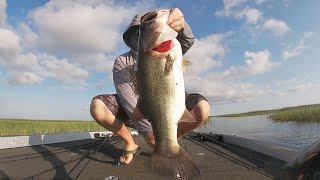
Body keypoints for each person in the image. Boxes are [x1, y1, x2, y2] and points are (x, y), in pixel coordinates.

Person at [90, 8, 210, 165]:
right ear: (134, 37)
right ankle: (130, 142)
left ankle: (169, 142)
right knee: (97, 107)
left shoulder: (172, 45)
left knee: (203, 109)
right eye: (141, 31)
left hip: (170, 97)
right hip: (138, 106)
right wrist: (147, 131)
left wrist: (181, 23)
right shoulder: (122, 61)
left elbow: (187, 40)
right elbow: (127, 97)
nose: (146, 31)